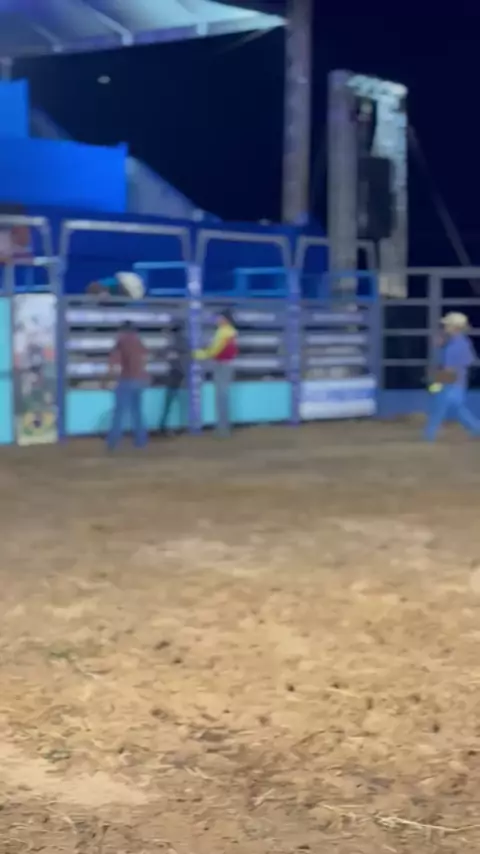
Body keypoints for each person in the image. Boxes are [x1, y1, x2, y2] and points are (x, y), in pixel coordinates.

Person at [424, 312, 480, 441]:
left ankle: (429, 435)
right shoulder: (463, 343)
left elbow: (448, 369)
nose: (444, 327)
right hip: (458, 382)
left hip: (450, 382)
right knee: (456, 409)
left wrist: (434, 383)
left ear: (455, 327)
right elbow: (469, 362)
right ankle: (476, 428)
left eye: (447, 325)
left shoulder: (454, 346)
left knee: (439, 408)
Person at [195, 309, 238, 436]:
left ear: (225, 319)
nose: (217, 320)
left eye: (219, 317)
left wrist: (198, 354)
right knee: (222, 396)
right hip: (225, 364)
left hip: (222, 365)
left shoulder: (224, 332)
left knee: (221, 396)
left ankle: (223, 429)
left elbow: (215, 350)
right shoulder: (228, 331)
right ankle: (223, 427)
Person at [106, 321, 148, 450]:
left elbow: (115, 362)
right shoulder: (139, 343)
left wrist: (108, 378)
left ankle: (113, 442)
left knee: (119, 412)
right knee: (137, 412)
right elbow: (144, 361)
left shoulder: (121, 342)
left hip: (126, 380)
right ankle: (141, 441)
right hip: (140, 380)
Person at [159, 322, 188, 435]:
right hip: (182, 374)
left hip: (175, 374)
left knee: (169, 402)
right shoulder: (183, 342)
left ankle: (164, 426)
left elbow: (163, 354)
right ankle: (179, 426)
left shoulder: (174, 343)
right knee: (180, 402)